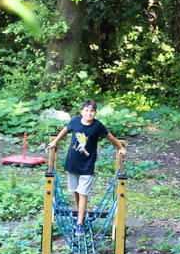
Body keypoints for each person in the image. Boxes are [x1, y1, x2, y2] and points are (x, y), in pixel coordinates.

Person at [48, 99, 127, 237]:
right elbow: (65, 131)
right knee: (76, 191)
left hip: (87, 164)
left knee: (83, 192)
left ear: (95, 113)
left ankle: (79, 224)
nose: (89, 113)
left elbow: (110, 137)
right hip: (73, 162)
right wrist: (55, 141)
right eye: (86, 110)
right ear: (81, 112)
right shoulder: (75, 122)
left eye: (92, 111)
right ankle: (81, 215)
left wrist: (120, 147)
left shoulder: (97, 126)